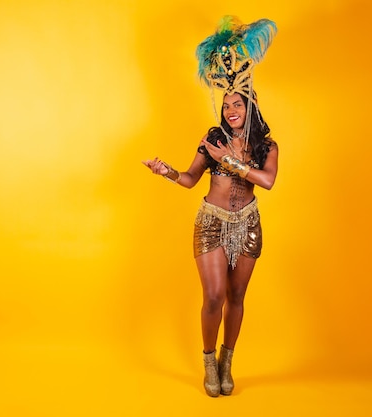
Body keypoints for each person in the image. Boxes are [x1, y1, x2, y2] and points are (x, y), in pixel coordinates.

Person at [142, 16, 278, 397]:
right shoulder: (213, 138)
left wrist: (233, 162)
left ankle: (226, 360)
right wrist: (166, 171)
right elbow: (189, 179)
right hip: (212, 222)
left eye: (237, 103)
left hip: (248, 223)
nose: (230, 109)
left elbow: (267, 181)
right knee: (215, 295)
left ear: (250, 105)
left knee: (237, 297)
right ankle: (207, 359)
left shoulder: (268, 147)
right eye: (226, 104)